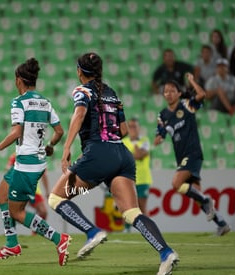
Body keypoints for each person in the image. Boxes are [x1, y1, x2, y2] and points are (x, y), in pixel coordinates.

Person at [48, 52, 179, 275]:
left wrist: (67, 147)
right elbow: (124, 130)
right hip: (122, 154)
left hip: (99, 153)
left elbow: (79, 115)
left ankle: (92, 232)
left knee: (57, 197)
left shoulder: (82, 91)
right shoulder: (111, 92)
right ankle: (166, 253)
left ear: (80, 71)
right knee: (131, 212)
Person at [0, 58, 69, 266]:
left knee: (16, 212)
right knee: (0, 194)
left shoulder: (18, 102)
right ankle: (12, 243)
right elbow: (59, 131)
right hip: (34, 161)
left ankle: (59, 239)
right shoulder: (45, 102)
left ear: (19, 80)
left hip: (27, 164)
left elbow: (16, 132)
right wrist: (50, 146)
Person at [154, 73, 231, 237]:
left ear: (179, 93)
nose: (168, 93)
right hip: (181, 157)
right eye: (166, 91)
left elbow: (202, 95)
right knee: (196, 193)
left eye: (172, 90)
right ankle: (222, 224)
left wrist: (191, 81)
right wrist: (158, 139)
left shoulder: (186, 105)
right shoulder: (163, 115)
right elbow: (159, 134)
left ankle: (207, 200)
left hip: (193, 153)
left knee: (176, 184)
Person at [5, 153, 50, 233]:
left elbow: (44, 174)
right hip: (19, 188)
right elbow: (8, 170)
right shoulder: (15, 156)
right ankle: (10, 233)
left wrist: (47, 191)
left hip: (34, 190)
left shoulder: (39, 156)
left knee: (43, 212)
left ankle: (35, 234)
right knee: (13, 212)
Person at [122, 118, 153, 216]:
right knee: (127, 207)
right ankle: (127, 230)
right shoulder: (123, 141)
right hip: (128, 179)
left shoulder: (145, 140)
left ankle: (148, 230)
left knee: (141, 207)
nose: (132, 129)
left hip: (142, 180)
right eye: (130, 127)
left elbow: (139, 155)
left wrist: (134, 145)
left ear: (139, 128)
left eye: (134, 126)